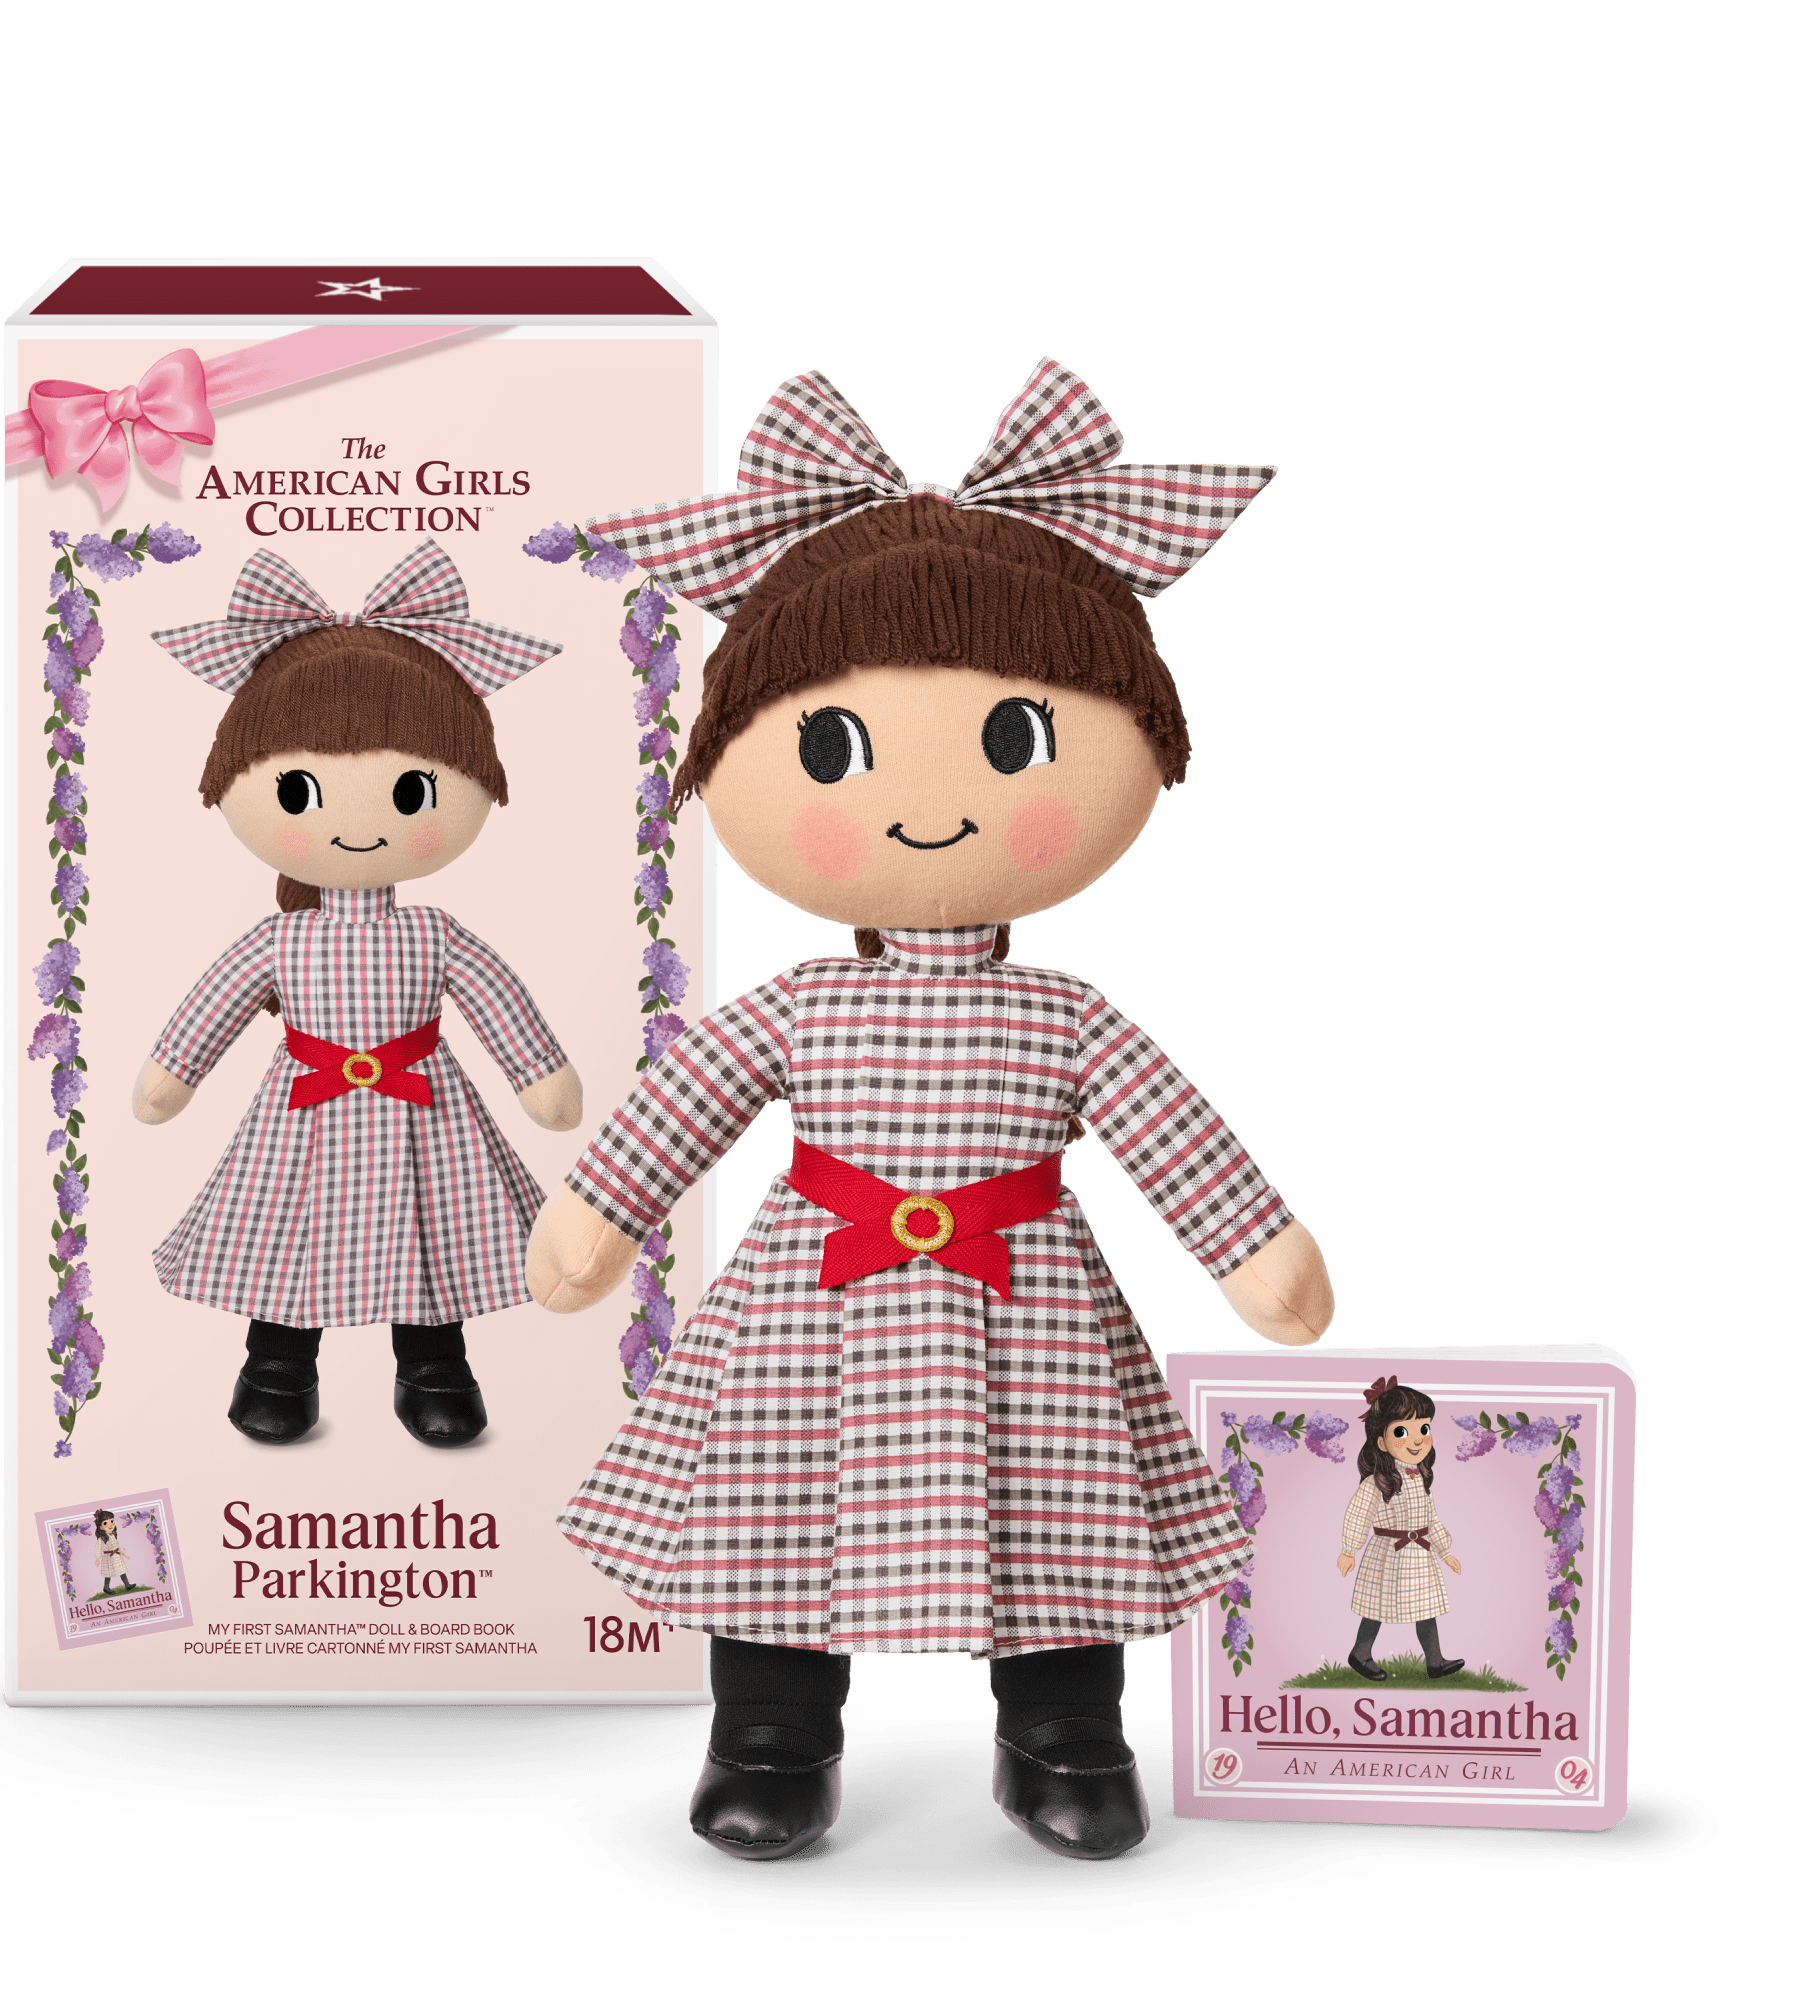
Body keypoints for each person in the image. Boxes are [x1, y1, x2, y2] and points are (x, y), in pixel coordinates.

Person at [527, 362, 1335, 1862]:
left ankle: (1067, 1735)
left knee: (1061, 1505)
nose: (924, 797)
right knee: (775, 1505)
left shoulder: (1066, 1014)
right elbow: (678, 1111)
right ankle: (769, 1734)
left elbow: (1176, 1138)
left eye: (1015, 740)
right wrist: (596, 1218)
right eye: (830, 747)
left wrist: (1255, 1249)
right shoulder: (792, 1007)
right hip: (811, 1306)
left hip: (1027, 1309)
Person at [135, 542, 580, 1447]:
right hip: (302, 1112)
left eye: (413, 789)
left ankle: (434, 1365)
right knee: (285, 1228)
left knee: (432, 1228)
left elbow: (500, 1003)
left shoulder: (435, 933)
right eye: (300, 789)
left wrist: (542, 1078)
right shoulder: (280, 939)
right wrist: (169, 1077)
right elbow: (211, 1008)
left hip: (425, 1111)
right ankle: (278, 1364)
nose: (354, 823)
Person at [1338, 1376, 1465, 1680]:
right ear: (1382, 1442)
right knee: (1377, 1606)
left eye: (1424, 1429)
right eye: (1402, 1432)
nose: (1417, 1440)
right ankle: (1360, 1653)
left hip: (1419, 1554)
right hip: (1388, 1554)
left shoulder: (1419, 1478)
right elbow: (1357, 1514)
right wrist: (1349, 1550)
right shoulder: (1376, 1482)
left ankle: (1435, 1661)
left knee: (1426, 1607)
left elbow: (1430, 1519)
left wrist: (1445, 1551)